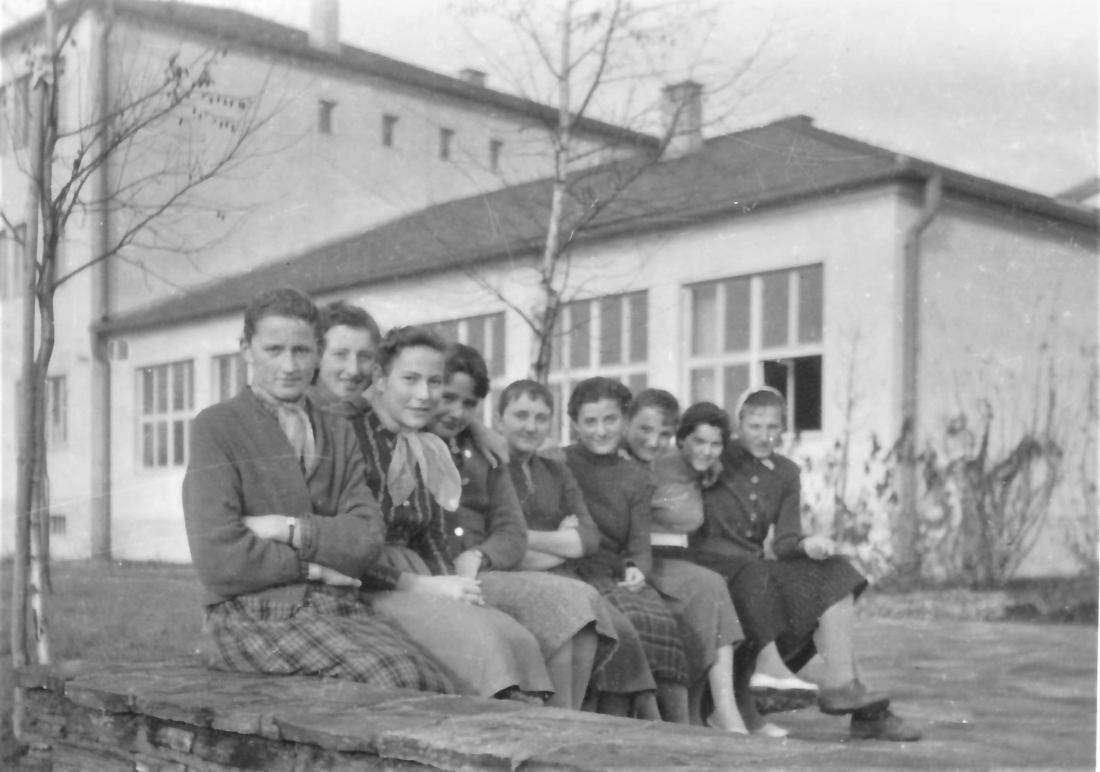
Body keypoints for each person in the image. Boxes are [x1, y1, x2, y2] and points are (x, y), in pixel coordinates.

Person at [182, 287, 451, 693]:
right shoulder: (218, 427)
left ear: (318, 352)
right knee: (396, 679)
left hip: (339, 607)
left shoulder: (335, 431)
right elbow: (219, 557)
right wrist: (317, 567)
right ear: (246, 350)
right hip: (248, 616)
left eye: (302, 351)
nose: (289, 365)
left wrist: (287, 529)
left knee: (435, 682)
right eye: (274, 350)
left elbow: (365, 540)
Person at [318, 324, 553, 700]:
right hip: (368, 585)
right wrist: (428, 587)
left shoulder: (423, 444)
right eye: (410, 379)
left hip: (420, 577)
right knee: (483, 642)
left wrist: (451, 585)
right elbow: (343, 544)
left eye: (434, 382)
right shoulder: (344, 433)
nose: (424, 395)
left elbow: (432, 532)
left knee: (518, 637)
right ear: (379, 378)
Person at [685, 388, 922, 741]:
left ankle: (842, 683)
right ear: (739, 425)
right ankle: (865, 707)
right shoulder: (718, 453)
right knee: (768, 578)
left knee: (835, 571)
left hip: (754, 569)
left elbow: (783, 542)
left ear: (784, 429)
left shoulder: (785, 472)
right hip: (713, 568)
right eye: (754, 426)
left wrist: (806, 544)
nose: (764, 435)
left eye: (773, 427)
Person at [429, 344, 618, 710]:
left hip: (480, 569)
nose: (456, 412)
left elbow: (512, 533)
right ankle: (557, 732)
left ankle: (567, 722)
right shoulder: (416, 442)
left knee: (581, 602)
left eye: (468, 405)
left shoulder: (485, 452)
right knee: (564, 602)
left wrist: (481, 553)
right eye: (447, 397)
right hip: (439, 575)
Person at [497, 379, 665, 720]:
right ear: (499, 419)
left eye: (541, 417)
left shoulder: (554, 470)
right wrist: (562, 545)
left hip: (566, 571)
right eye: (521, 415)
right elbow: (501, 544)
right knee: (593, 621)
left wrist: (527, 539)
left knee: (626, 632)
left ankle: (607, 728)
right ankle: (571, 724)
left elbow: (588, 540)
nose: (531, 426)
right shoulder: (500, 467)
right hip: (528, 574)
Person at [613, 388, 750, 734]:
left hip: (650, 559)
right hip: (620, 562)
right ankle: (712, 712)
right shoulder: (609, 455)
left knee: (712, 587)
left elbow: (696, 455)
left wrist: (714, 463)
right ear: (626, 422)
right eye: (645, 430)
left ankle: (722, 708)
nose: (653, 441)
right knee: (707, 588)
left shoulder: (664, 461)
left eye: (663, 434)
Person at [563, 377, 695, 724]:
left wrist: (638, 568)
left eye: (610, 420)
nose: (601, 431)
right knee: (626, 623)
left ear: (623, 421)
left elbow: (638, 544)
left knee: (659, 617)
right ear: (575, 424)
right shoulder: (559, 462)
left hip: (611, 570)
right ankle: (630, 721)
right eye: (590, 422)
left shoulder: (636, 477)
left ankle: (681, 725)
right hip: (572, 568)